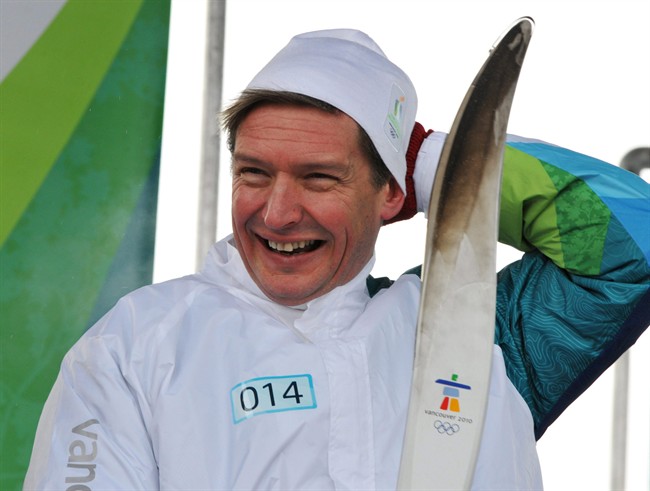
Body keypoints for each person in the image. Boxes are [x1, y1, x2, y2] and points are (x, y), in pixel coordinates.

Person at [24, 29, 649, 490]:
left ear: (392, 194)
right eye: (254, 173)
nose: (276, 213)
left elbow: (636, 242)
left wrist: (442, 165)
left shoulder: (484, 335)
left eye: (319, 179)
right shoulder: (137, 347)